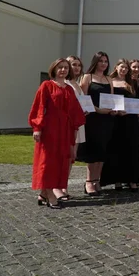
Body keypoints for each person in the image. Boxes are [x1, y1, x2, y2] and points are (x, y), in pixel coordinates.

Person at [29, 58, 85, 209]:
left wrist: (75, 128)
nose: (63, 70)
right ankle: (51, 194)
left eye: (66, 68)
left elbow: (74, 111)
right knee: (47, 161)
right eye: (60, 67)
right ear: (54, 69)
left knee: (60, 160)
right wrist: (37, 128)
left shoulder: (68, 89)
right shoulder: (46, 86)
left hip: (65, 129)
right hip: (49, 128)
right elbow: (39, 107)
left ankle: (43, 193)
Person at [101, 59, 139, 192]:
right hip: (116, 120)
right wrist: (116, 111)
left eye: (126, 68)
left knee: (132, 148)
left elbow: (136, 101)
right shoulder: (109, 81)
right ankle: (117, 180)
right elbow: (108, 101)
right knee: (116, 149)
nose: (124, 69)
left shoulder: (132, 83)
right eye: (122, 67)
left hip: (130, 121)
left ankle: (133, 180)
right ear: (116, 67)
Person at [78, 51, 116, 196]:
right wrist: (98, 110)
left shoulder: (108, 79)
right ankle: (89, 182)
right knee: (93, 151)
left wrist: (113, 110)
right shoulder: (87, 78)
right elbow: (84, 99)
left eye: (106, 61)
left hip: (107, 119)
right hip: (93, 119)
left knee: (102, 150)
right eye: (101, 61)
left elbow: (112, 99)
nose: (103, 64)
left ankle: (97, 179)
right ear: (95, 62)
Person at [65, 55, 86, 199]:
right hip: (68, 125)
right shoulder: (65, 83)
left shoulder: (77, 83)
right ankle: (58, 186)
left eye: (78, 65)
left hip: (79, 124)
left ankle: (63, 186)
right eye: (73, 64)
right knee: (65, 156)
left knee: (72, 157)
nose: (76, 67)